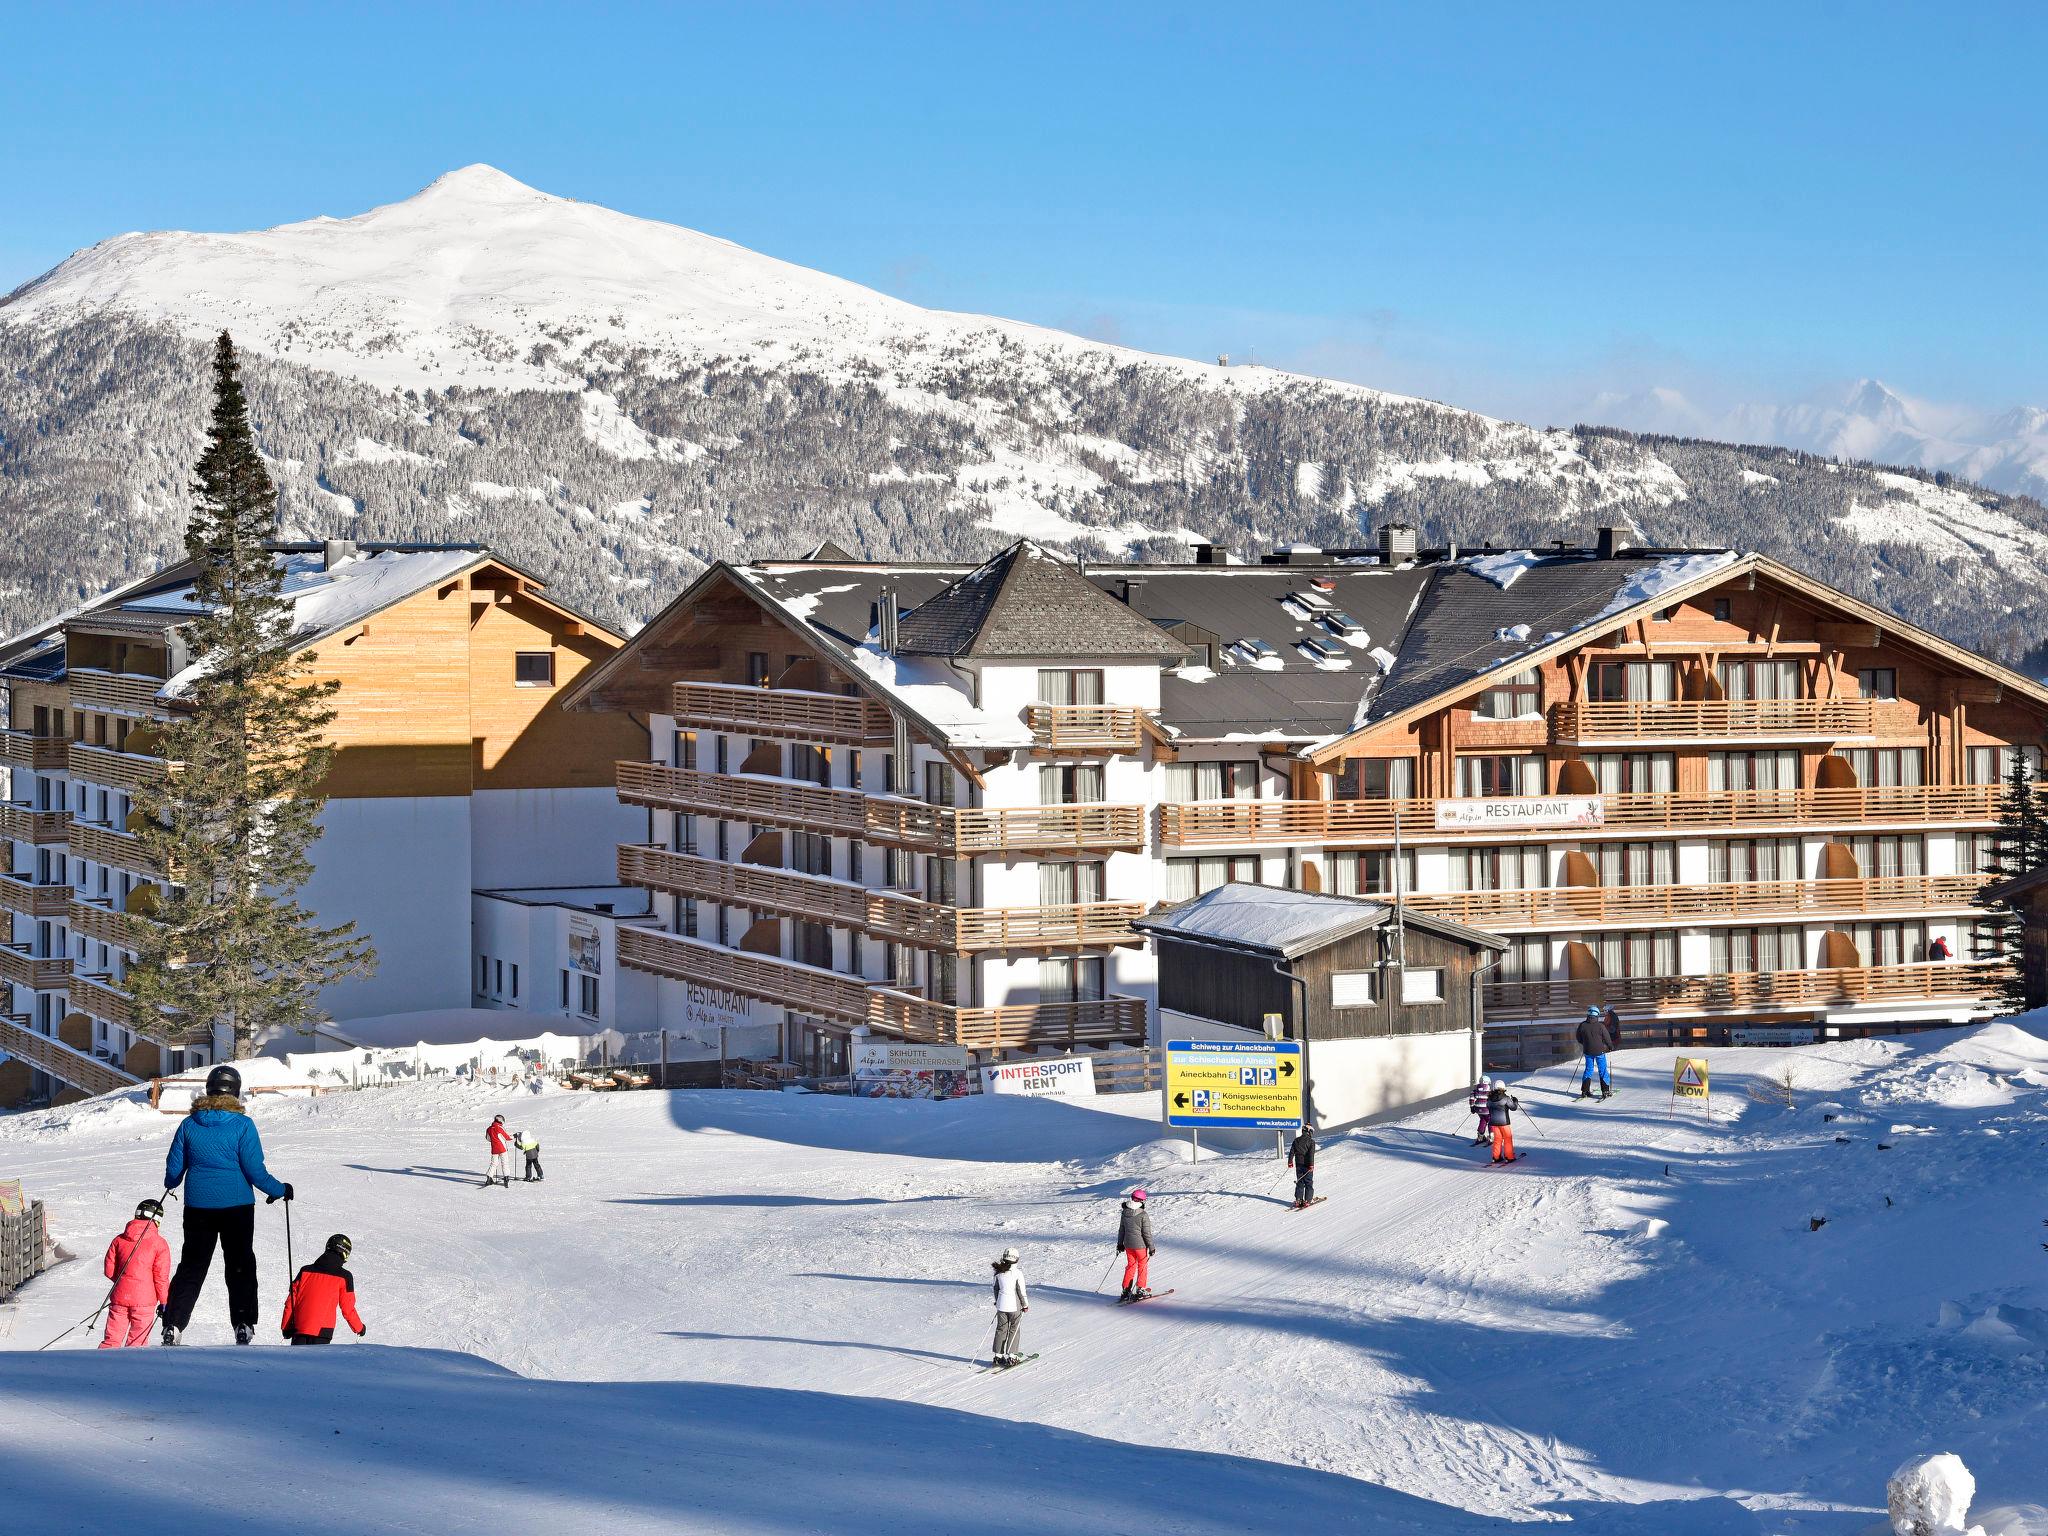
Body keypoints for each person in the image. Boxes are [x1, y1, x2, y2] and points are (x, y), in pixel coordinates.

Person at [161, 1064, 291, 1346]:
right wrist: (279, 1190)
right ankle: (243, 1323)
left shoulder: (189, 1124)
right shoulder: (243, 1125)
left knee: (192, 1266)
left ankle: (173, 1323)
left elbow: (174, 1170)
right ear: (236, 1091)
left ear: (208, 1089)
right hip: (237, 1207)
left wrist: (171, 1183)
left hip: (197, 1207)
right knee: (240, 1264)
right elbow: (255, 1171)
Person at [99, 1198, 171, 1349]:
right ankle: (133, 1369)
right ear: (157, 1219)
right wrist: (164, 1301)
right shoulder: (159, 1243)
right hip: (144, 1300)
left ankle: (101, 1367)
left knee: (111, 1340)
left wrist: (124, 1282)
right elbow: (161, 1277)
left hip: (119, 1297)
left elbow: (109, 1270)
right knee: (137, 1343)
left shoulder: (119, 1240)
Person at [280, 1233, 367, 1346]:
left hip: (299, 1329)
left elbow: (291, 1301)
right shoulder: (344, 1277)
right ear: (345, 1253)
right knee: (316, 1364)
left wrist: (286, 1327)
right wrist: (359, 1328)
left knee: (296, 1364)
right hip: (323, 1332)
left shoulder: (305, 1271)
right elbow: (347, 1308)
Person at [991, 1246, 1029, 1366]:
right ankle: (1012, 1356)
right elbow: (1020, 1291)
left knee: (1001, 1329)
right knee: (1014, 1329)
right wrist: (1025, 1304)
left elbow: (996, 1289)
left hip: (1001, 1306)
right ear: (1016, 1259)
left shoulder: (998, 1273)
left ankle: (998, 1356)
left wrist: (997, 1301)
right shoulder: (1017, 1273)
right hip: (1014, 1306)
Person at [1116, 1188, 1155, 1301]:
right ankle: (1140, 1289)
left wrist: (1120, 1244)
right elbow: (1146, 1233)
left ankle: (1126, 1290)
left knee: (1131, 1266)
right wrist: (1151, 1247)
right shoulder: (1143, 1214)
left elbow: (1121, 1229)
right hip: (1140, 1246)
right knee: (1142, 1266)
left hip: (1128, 1245)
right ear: (1142, 1201)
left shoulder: (1124, 1212)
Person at [1576, 1006, 1615, 1100]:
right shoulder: (1600, 1026)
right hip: (1599, 1051)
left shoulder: (1582, 1025)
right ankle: (1605, 1090)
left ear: (1588, 1014)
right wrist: (1610, 1046)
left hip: (1588, 1051)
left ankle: (1585, 1091)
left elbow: (1578, 1038)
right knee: (1602, 1070)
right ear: (1597, 1015)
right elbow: (1607, 1038)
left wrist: (1585, 1043)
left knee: (1588, 1070)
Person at [1486, 1081, 1521, 1163]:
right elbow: (1513, 1107)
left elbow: (1488, 1107)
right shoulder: (1506, 1098)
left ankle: (1496, 1157)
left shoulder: (1489, 1099)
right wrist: (1515, 1101)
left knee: (1497, 1139)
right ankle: (1509, 1157)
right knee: (1507, 1138)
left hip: (1494, 1122)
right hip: (1504, 1123)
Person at [1288, 1122, 1318, 1208]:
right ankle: (1308, 1200)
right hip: (1307, 1165)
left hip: (1298, 1165)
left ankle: (1298, 1200)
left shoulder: (1296, 1140)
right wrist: (1311, 1165)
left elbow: (1291, 1152)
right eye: (1311, 1131)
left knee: (1300, 1181)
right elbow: (1311, 1154)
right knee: (1308, 1182)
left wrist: (1290, 1162)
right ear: (1309, 1131)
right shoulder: (1311, 1142)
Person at [484, 1114, 514, 1188]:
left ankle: (489, 1178)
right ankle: (506, 1178)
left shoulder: (489, 1129)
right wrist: (514, 1136)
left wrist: (494, 1141)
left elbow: (488, 1139)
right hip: (502, 1148)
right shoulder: (500, 1128)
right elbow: (507, 1137)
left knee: (493, 1164)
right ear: (501, 1120)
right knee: (505, 1163)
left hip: (494, 1149)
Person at [1467, 1077, 1493, 1145]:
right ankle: (1491, 1137)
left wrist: (1472, 1107)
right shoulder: (1489, 1090)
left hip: (1478, 1109)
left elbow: (1471, 1098)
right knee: (1490, 1122)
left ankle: (1480, 1137)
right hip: (1487, 1109)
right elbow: (1492, 1099)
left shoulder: (1476, 1089)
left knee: (1483, 1120)